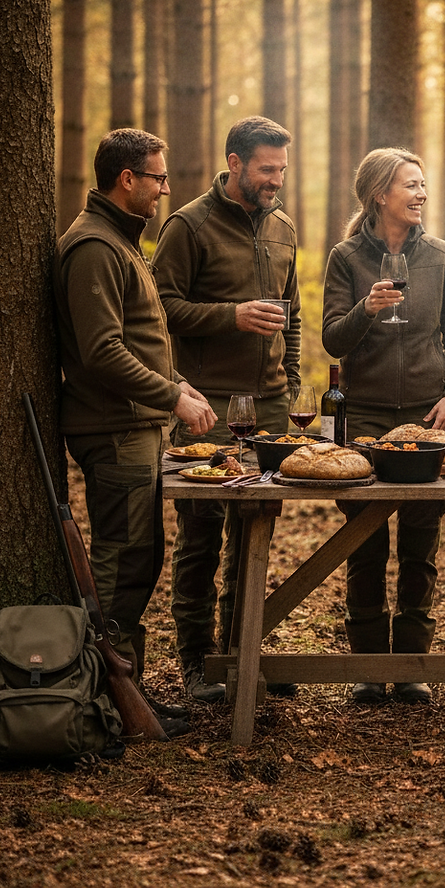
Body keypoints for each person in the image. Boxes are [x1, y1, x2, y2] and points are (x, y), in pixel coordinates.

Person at [54, 128, 218, 737]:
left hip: (134, 424)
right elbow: (102, 351)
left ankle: (131, 694)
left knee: (140, 561)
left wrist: (179, 383)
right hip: (115, 430)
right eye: (158, 178)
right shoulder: (94, 247)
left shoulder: (119, 241)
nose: (165, 189)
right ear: (127, 179)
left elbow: (140, 338)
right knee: (121, 565)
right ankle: (105, 702)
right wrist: (171, 396)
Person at [152, 116, 301, 703]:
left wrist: (290, 383)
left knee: (255, 530)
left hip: (270, 408)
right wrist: (230, 315)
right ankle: (195, 663)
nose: (276, 180)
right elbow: (160, 309)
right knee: (201, 535)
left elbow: (289, 317)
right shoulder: (188, 225)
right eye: (267, 169)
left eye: (281, 169)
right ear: (234, 163)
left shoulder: (284, 227)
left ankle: (241, 655)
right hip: (207, 406)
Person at [322, 148, 445, 704]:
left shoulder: (440, 255)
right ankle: (368, 667)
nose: (421, 194)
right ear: (379, 194)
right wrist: (366, 310)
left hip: (425, 417)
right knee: (364, 544)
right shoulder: (345, 257)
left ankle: (411, 665)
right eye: (410, 185)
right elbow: (332, 340)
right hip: (363, 417)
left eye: (423, 184)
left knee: (420, 542)